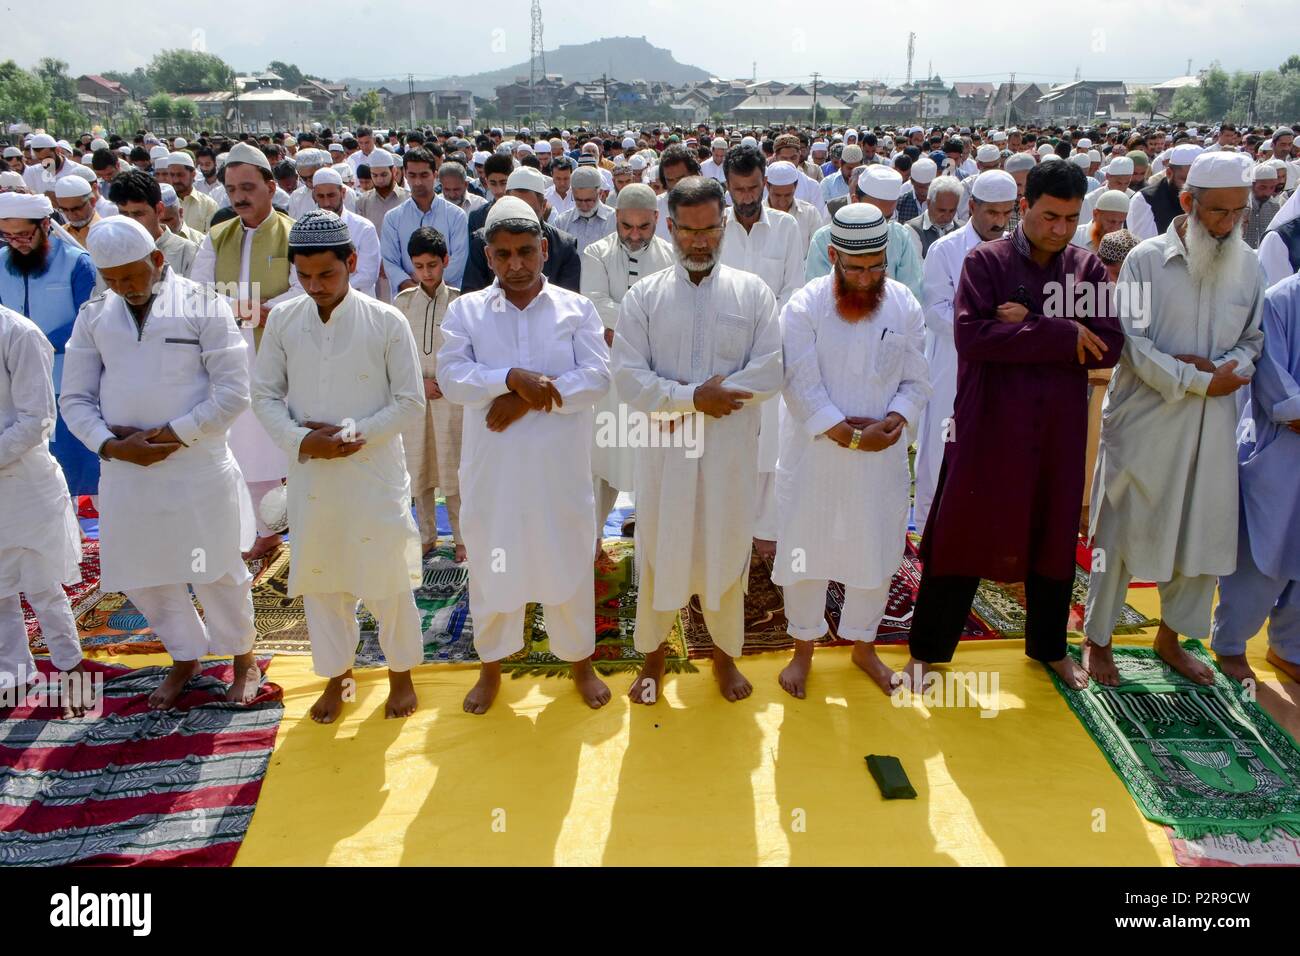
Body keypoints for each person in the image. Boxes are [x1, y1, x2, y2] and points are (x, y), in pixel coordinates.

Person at [899, 160, 1125, 692]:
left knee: (1051, 536)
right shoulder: (987, 262)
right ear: (1026, 209)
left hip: (1057, 430)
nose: (1059, 229)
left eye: (1070, 219)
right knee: (961, 531)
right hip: (989, 424)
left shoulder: (1086, 270)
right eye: (1049, 216)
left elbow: (1107, 345)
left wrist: (1030, 326)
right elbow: (973, 339)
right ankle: (928, 652)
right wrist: (1063, 335)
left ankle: (1049, 649)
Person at [60, 216, 261, 708]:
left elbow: (234, 392)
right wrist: (109, 444)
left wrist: (176, 434)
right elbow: (74, 400)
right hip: (126, 470)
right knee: (143, 571)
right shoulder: (95, 315)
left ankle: (243, 659)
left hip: (196, 463)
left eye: (132, 276)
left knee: (214, 568)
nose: (124, 288)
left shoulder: (204, 304)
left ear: (157, 260)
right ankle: (185, 656)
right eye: (113, 280)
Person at [1085, 152, 1264, 685]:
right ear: (1188, 202)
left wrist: (1232, 368)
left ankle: (1171, 640)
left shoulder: (1248, 264)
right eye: (1218, 212)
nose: (1228, 223)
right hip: (1147, 421)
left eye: (1238, 213)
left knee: (1199, 532)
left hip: (1212, 427)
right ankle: (1099, 640)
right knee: (1118, 530)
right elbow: (1131, 345)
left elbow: (1253, 339)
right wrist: (1196, 380)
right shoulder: (1143, 261)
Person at [438, 197, 612, 714]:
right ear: (487, 257)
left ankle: (580, 663)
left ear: (544, 249)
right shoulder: (465, 311)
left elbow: (599, 376)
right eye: (504, 254)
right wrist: (508, 379)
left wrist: (528, 397)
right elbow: (452, 379)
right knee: (495, 562)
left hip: (558, 468)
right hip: (496, 472)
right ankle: (491, 667)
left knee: (569, 560)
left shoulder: (575, 308)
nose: (516, 265)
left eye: (526, 252)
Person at [612, 176, 783, 704]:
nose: (699, 241)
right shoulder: (644, 297)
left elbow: (772, 369)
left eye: (709, 229)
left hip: (729, 452)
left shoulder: (752, 293)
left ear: (724, 226)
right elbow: (628, 377)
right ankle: (654, 657)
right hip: (666, 453)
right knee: (661, 550)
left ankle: (724, 658)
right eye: (688, 231)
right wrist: (691, 399)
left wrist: (716, 396)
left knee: (726, 549)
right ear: (671, 228)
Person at [252, 210, 425, 723]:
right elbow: (263, 396)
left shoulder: (387, 320)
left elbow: (410, 401)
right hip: (312, 474)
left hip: (372, 472)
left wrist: (351, 435)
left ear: (351, 262)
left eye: (326, 275)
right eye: (303, 277)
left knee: (388, 578)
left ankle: (400, 675)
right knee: (322, 579)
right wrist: (303, 440)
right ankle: (338, 676)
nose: (315, 286)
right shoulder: (284, 319)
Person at [773, 204, 930, 697]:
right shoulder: (804, 306)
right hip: (815, 456)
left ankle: (864, 647)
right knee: (805, 552)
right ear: (834, 256)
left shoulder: (904, 302)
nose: (866, 278)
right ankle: (803, 651)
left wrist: (896, 418)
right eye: (856, 267)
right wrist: (846, 433)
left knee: (876, 550)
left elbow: (917, 377)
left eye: (877, 265)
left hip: (881, 458)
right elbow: (799, 383)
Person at [190, 142, 297, 563]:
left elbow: (306, 287)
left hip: (280, 354)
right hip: (232, 356)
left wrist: (262, 309)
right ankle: (262, 530)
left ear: (271, 187)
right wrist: (233, 310)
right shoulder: (218, 237)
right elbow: (198, 292)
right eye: (232, 188)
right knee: (244, 448)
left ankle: (299, 529)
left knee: (286, 443)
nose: (239, 196)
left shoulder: (293, 232)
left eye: (248, 186)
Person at [913, 170, 1018, 532]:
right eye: (991, 212)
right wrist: (991, 325)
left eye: (1006, 213)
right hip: (951, 369)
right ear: (972, 206)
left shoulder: (1019, 249)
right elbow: (937, 313)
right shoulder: (946, 249)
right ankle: (930, 532)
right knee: (939, 453)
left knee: (990, 450)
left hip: (1000, 372)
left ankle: (977, 530)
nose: (999, 221)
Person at [1211, 273, 1300, 684]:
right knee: (1261, 558)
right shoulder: (1280, 300)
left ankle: (1290, 649)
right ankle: (1229, 645)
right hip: (1281, 453)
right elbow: (1278, 393)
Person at [0, 303, 87, 716]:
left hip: (25, 485)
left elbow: (36, 421)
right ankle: (13, 677)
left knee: (43, 588)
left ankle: (71, 674)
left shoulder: (20, 334)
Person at [719, 144, 805, 557]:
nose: (748, 197)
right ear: (727, 187)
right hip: (726, 352)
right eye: (740, 189)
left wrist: (765, 327)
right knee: (729, 439)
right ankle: (731, 525)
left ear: (764, 183)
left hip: (772, 348)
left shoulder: (786, 228)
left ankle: (767, 527)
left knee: (771, 438)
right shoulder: (715, 228)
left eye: (754, 187)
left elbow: (794, 288)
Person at [580, 184, 675, 551]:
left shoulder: (671, 257)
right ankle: (590, 541)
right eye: (626, 227)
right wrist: (644, 323)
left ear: (656, 220)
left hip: (653, 376)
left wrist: (621, 325)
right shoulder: (596, 252)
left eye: (643, 228)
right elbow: (593, 303)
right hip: (610, 379)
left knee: (651, 462)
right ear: (615, 219)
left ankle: (652, 547)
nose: (634, 236)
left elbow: (672, 312)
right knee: (601, 463)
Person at [0, 191, 100, 500]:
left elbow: (88, 321)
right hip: (13, 383)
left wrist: (34, 342)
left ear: (45, 225)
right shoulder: (1, 263)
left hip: (67, 378)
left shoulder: (77, 262)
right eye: (8, 236)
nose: (16, 243)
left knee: (76, 462)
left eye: (24, 235)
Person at [395, 227, 464, 560]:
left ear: (446, 262)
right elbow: (395, 355)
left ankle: (463, 538)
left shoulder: (462, 301)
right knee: (418, 469)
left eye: (433, 265)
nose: (427, 272)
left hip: (451, 399)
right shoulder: (402, 303)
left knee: (454, 469)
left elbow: (468, 354)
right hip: (417, 396)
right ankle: (426, 535)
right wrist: (418, 385)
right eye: (419, 266)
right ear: (412, 266)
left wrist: (447, 384)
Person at [804, 165, 924, 300]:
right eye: (874, 217)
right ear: (855, 200)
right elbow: (819, 297)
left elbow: (912, 295)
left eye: (886, 218)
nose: (879, 226)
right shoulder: (824, 239)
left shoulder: (900, 236)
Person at [460, 167, 581, 293]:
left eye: (529, 210)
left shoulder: (564, 245)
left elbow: (568, 301)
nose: (523, 216)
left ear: (543, 206)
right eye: (503, 254)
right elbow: (472, 298)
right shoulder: (482, 241)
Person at [381, 147, 469, 300]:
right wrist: (415, 291)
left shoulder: (456, 216)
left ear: (435, 175)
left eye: (424, 175)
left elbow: (459, 261)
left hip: (448, 299)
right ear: (404, 175)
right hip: (407, 300)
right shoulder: (393, 218)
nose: (418, 182)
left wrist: (431, 289)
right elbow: (390, 263)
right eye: (412, 175)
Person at [109, 170, 197, 277]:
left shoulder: (188, 252)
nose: (131, 222)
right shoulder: (112, 251)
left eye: (138, 214)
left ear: (159, 210)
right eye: (124, 214)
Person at [310, 167, 380, 298]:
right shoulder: (307, 229)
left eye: (331, 195)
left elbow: (368, 275)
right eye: (321, 196)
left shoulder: (364, 228)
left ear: (343, 193)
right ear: (314, 196)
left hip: (358, 305)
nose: (326, 202)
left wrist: (330, 290)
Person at [1128, 143, 1201, 240]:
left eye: (1198, 181)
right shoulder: (1145, 200)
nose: (1193, 187)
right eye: (1185, 180)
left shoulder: (1206, 197)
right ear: (1169, 173)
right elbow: (1145, 248)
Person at [553, 166, 615, 251]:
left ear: (600, 194)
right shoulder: (562, 222)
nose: (584, 206)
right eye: (578, 200)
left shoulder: (614, 220)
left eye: (589, 200)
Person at [904, 174, 962, 259]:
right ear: (928, 203)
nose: (947, 217)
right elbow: (918, 269)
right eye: (941, 210)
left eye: (952, 211)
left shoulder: (961, 229)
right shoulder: (912, 230)